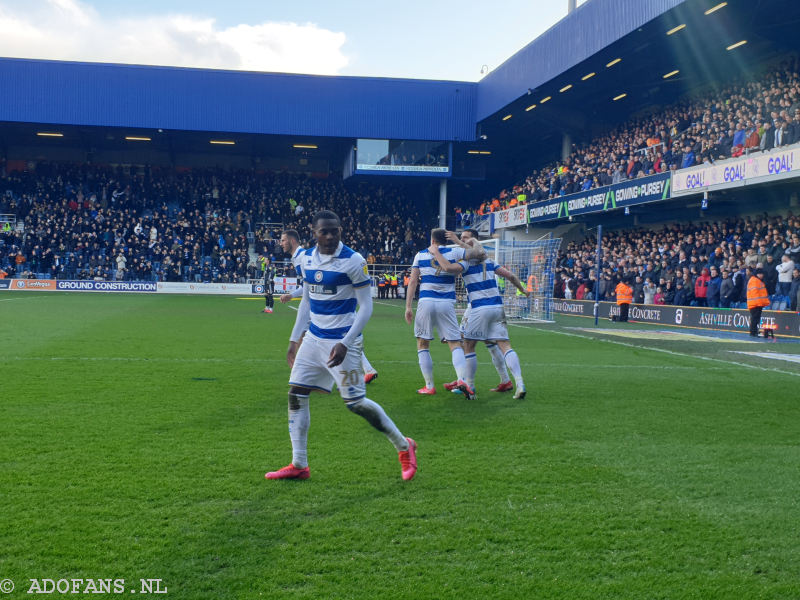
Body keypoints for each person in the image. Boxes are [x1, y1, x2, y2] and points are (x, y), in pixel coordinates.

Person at [266, 210, 417, 481]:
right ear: (314, 233)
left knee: (355, 403)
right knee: (296, 393)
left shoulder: (354, 261)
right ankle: (299, 464)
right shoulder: (308, 259)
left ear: (340, 231)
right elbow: (307, 302)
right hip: (313, 338)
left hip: (343, 340)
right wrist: (293, 340)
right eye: (324, 231)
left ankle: (404, 446)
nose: (330, 236)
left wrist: (346, 343)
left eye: (335, 231)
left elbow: (366, 306)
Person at [429, 229, 529, 400]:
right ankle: (518, 383)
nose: (462, 240)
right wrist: (523, 290)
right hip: (497, 306)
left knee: (468, 345)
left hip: (479, 308)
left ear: (474, 240)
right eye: (461, 238)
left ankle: (470, 386)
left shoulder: (466, 264)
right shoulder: (490, 261)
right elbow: (511, 276)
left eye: (466, 238)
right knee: (503, 345)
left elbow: (447, 267)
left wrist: (436, 254)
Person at [279, 228, 379, 385]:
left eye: (283, 240)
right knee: (324, 337)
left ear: (292, 241)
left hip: (322, 307)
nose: (281, 243)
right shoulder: (301, 257)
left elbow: (310, 286)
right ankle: (366, 369)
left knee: (312, 336)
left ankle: (313, 371)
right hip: (318, 305)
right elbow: (308, 285)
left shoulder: (302, 258)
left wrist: (292, 295)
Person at [404, 228, 484, 397]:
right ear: (446, 239)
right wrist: (460, 241)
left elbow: (412, 282)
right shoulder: (455, 252)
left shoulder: (420, 255)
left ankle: (429, 386)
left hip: (426, 302)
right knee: (455, 344)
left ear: (432, 240)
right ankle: (462, 379)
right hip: (446, 302)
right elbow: (478, 253)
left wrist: (408, 307)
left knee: (423, 343)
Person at [746, 268, 770, 338]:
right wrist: (760, 303)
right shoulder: (755, 281)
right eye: (761, 274)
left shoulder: (756, 280)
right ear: (758, 274)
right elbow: (755, 293)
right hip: (755, 304)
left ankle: (754, 332)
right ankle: (753, 332)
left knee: (755, 319)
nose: (762, 275)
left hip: (756, 303)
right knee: (755, 319)